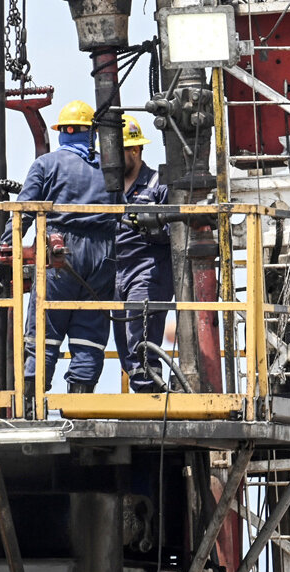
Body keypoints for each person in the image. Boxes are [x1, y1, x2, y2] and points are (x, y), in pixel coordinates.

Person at [3, 100, 120, 395]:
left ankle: (32, 407)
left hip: (59, 253)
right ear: (91, 132)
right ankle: (79, 410)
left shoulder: (47, 164)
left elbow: (24, 211)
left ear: (63, 132)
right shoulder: (110, 169)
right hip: (103, 254)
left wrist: (6, 249)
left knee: (44, 331)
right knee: (89, 334)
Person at [112, 115, 173, 393]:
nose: (109, 161)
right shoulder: (108, 189)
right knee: (123, 343)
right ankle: (141, 390)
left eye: (116, 152)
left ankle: (149, 396)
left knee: (140, 335)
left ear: (134, 150)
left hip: (148, 269)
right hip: (115, 272)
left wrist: (151, 225)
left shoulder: (158, 185)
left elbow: (177, 232)